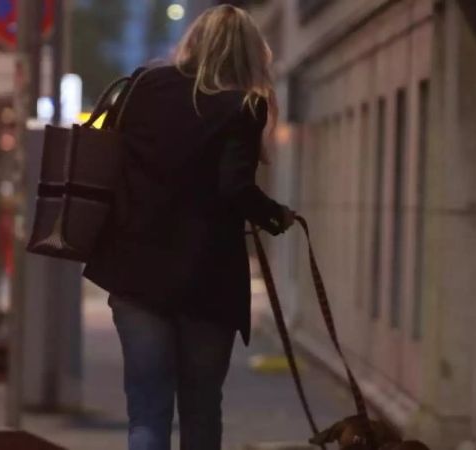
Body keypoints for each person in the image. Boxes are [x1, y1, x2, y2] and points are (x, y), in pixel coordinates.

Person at [83, 5, 295, 450]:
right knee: (200, 411)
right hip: (206, 283)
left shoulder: (144, 85)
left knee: (146, 411)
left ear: (194, 42)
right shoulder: (244, 106)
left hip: (135, 274)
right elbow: (234, 186)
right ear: (249, 56)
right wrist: (276, 216)